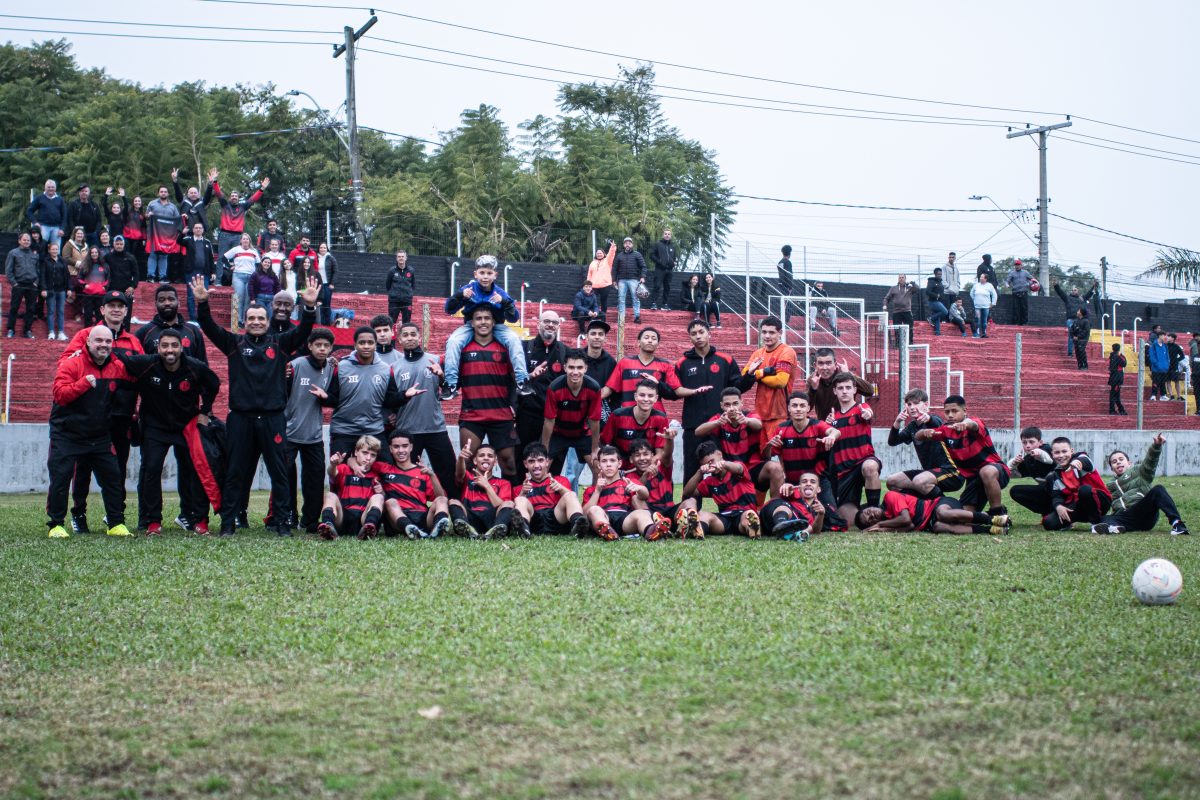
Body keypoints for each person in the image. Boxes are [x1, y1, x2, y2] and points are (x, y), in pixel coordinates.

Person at [193, 275, 318, 537]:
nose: (257, 322)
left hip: (273, 418)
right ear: (245, 322)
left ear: (268, 320)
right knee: (235, 472)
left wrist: (308, 308)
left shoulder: (280, 344)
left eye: (261, 318)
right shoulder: (233, 344)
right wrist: (203, 303)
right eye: (252, 319)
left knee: (280, 473)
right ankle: (228, 524)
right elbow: (208, 326)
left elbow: (304, 331)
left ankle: (283, 523)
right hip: (240, 419)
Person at [116, 329, 220, 535]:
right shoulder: (147, 363)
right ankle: (153, 521)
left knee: (195, 471)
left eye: (174, 345)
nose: (169, 350)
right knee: (152, 470)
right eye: (165, 346)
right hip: (156, 427)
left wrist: (205, 411)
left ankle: (199, 519)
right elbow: (119, 357)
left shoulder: (194, 367)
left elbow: (214, 383)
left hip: (186, 426)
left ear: (182, 347)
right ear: (158, 348)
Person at [61, 291, 144, 530]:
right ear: (102, 310)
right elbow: (66, 363)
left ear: (126, 311)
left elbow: (140, 376)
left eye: (121, 306)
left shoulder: (134, 342)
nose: (116, 309)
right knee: (83, 467)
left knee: (118, 467)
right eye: (111, 306)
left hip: (122, 415)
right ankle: (78, 514)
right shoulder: (85, 335)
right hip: (92, 414)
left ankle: (115, 515)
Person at [46, 326, 132, 538]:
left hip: (98, 435)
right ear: (88, 343)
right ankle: (56, 524)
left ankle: (115, 524)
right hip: (67, 434)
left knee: (113, 478)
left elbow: (136, 380)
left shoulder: (116, 366)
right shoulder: (72, 364)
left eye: (108, 341)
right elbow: (59, 395)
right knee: (61, 478)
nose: (103, 345)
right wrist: (83, 384)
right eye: (99, 341)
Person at [440, 254, 529, 400]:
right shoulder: (468, 289)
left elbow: (514, 318)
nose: (485, 277)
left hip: (497, 325)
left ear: (495, 275)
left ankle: (522, 381)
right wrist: (460, 295)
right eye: (482, 273)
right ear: (475, 274)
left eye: (489, 273)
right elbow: (449, 310)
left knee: (514, 339)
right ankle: (450, 385)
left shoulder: (500, 293)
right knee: (453, 341)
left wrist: (505, 302)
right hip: (471, 325)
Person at [674, 319, 750, 479]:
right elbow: (673, 391)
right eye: (693, 334)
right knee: (692, 470)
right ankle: (691, 504)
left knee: (724, 469)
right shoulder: (682, 363)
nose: (698, 336)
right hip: (692, 425)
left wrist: (751, 376)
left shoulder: (725, 360)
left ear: (709, 334)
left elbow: (737, 387)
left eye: (701, 332)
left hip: (721, 425)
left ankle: (731, 503)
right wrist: (658, 385)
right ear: (689, 337)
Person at [454, 306, 521, 484]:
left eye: (487, 318)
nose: (483, 322)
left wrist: (530, 375)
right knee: (467, 461)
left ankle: (511, 506)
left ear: (493, 322)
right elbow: (453, 379)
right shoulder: (461, 348)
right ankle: (466, 506)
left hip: (500, 415)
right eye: (478, 318)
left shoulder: (506, 348)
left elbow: (516, 378)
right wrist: (440, 375)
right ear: (472, 322)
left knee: (509, 463)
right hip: (472, 415)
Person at [391, 321, 457, 499]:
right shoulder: (395, 368)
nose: (410, 338)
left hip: (435, 428)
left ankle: (456, 508)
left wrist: (442, 376)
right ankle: (412, 509)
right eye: (405, 335)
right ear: (399, 340)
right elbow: (390, 399)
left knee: (448, 472)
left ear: (420, 337)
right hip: (407, 431)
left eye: (413, 334)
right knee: (408, 476)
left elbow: (451, 390)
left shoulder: (435, 360)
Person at [914, 395, 1009, 516]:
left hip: (997, 472)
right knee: (964, 515)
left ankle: (998, 514)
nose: (950, 415)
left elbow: (973, 424)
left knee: (986, 471)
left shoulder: (975, 423)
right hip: (974, 481)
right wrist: (924, 432)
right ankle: (986, 517)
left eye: (954, 411)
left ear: (964, 411)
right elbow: (917, 436)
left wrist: (966, 424)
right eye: (947, 412)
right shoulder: (945, 430)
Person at [327, 327, 412, 459]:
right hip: (344, 430)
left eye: (370, 342)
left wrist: (405, 395)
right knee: (341, 475)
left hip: (374, 430)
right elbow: (333, 399)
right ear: (355, 345)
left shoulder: (385, 369)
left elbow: (389, 400)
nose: (366, 346)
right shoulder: (342, 367)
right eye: (362, 343)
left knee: (386, 470)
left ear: (375, 344)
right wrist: (323, 397)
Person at [284, 328, 337, 533]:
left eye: (326, 346)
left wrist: (326, 397)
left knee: (314, 480)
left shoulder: (332, 368)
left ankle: (310, 520)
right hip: (289, 432)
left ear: (331, 348)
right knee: (287, 478)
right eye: (318, 345)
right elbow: (282, 394)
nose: (322, 349)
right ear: (310, 346)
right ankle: (288, 516)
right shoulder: (295, 366)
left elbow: (335, 399)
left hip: (314, 435)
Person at [766, 392, 842, 528]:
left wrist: (831, 437)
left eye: (802, 405)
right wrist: (770, 445)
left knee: (832, 519)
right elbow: (772, 457)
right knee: (778, 508)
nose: (798, 409)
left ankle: (805, 520)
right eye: (794, 405)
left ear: (808, 408)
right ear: (788, 408)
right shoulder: (781, 429)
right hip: (793, 484)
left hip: (817, 483)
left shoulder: (817, 425)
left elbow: (835, 432)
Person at [695, 387, 783, 499]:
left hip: (753, 467)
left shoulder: (749, 416)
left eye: (735, 403)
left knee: (775, 468)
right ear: (722, 406)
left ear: (741, 403)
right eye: (727, 405)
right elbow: (698, 432)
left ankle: (776, 506)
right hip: (731, 469)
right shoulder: (719, 419)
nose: (732, 408)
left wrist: (746, 421)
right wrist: (716, 423)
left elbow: (758, 424)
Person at [1095, 434, 1189, 535]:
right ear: (1112, 468)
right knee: (1099, 518)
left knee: (1158, 489)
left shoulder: (1139, 472)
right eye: (1114, 462)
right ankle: (1115, 528)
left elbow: (1150, 462)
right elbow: (1099, 501)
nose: (1118, 462)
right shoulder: (1109, 485)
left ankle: (1177, 524)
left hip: (1143, 513)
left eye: (1121, 459)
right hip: (1125, 517)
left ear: (1129, 463)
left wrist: (1156, 446)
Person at [884, 388, 963, 498]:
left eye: (916, 403)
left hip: (951, 472)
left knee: (919, 481)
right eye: (909, 404)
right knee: (892, 482)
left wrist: (928, 418)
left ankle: (944, 505)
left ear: (926, 405)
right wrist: (897, 422)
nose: (912, 407)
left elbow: (937, 424)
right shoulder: (912, 426)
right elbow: (893, 442)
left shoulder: (935, 419)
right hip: (929, 473)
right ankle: (921, 506)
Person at [826, 372, 882, 524]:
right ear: (835, 391)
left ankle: (874, 510)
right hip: (844, 471)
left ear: (854, 390)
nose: (844, 391)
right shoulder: (833, 417)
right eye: (840, 388)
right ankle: (867, 511)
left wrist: (867, 414)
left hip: (863, 460)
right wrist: (828, 426)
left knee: (870, 467)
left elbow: (868, 414)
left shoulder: (861, 408)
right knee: (849, 520)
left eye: (848, 387)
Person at [516, 310, 568, 473]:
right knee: (522, 457)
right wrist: (530, 376)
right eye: (546, 321)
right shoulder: (524, 348)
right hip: (528, 415)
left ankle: (549, 496)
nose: (550, 325)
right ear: (538, 324)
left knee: (553, 459)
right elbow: (513, 380)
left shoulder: (566, 352)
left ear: (559, 326)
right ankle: (520, 494)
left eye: (554, 322)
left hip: (555, 417)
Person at [582, 445, 668, 541]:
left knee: (641, 513)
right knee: (594, 510)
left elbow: (645, 495)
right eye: (604, 461)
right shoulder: (591, 490)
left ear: (619, 464)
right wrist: (597, 491)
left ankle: (652, 531)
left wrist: (638, 488)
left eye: (612, 460)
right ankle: (608, 532)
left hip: (624, 519)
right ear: (599, 465)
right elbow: (585, 514)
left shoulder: (628, 482)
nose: (608, 464)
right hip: (604, 518)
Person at [376, 430, 451, 539]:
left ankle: (437, 528)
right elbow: (364, 462)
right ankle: (409, 527)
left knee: (442, 500)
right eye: (396, 447)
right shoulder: (384, 468)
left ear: (411, 447)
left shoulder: (423, 473)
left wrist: (432, 475)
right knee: (390, 502)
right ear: (390, 449)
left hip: (422, 516)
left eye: (405, 446)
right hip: (397, 518)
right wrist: (352, 462)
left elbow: (440, 497)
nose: (401, 450)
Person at [680, 441, 762, 538]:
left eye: (712, 461)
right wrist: (700, 472)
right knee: (702, 515)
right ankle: (696, 529)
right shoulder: (710, 481)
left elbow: (738, 468)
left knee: (747, 516)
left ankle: (753, 529)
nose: (711, 466)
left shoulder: (736, 468)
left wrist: (723, 464)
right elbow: (687, 493)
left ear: (720, 454)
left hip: (743, 513)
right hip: (725, 519)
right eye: (707, 464)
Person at [542, 348, 602, 477]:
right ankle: (541, 496)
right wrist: (545, 449)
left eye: (579, 368)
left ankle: (594, 496)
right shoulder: (554, 387)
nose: (575, 372)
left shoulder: (594, 388)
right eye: (571, 367)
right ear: (564, 367)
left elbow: (594, 420)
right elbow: (549, 421)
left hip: (582, 433)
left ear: (585, 368)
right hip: (558, 433)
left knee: (597, 468)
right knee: (542, 467)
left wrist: (595, 449)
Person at [603, 326, 692, 412]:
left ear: (658, 344)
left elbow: (674, 393)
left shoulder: (665, 365)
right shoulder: (625, 363)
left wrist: (658, 384)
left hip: (656, 417)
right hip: (628, 416)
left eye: (653, 339)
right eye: (646, 337)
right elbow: (610, 388)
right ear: (638, 342)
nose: (650, 341)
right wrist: (591, 398)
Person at [510, 442, 588, 538]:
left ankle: (578, 525)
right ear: (525, 464)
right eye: (531, 461)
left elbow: (571, 500)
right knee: (519, 499)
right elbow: (516, 510)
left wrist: (560, 488)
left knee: (570, 494)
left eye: (540, 460)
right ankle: (523, 530)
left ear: (547, 462)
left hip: (556, 519)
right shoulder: (519, 488)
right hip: (534, 521)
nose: (536, 465)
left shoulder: (560, 480)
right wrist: (523, 493)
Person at [317, 436, 387, 541]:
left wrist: (381, 492)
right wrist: (333, 465)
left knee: (379, 497)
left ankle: (369, 527)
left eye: (373, 455)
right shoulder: (344, 468)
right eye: (365, 453)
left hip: (363, 519)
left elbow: (382, 502)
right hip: (343, 517)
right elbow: (332, 473)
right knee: (330, 495)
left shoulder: (376, 474)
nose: (368, 458)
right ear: (356, 452)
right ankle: (327, 526)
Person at [742, 316, 797, 441]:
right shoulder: (758, 353)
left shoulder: (786, 351)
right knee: (763, 456)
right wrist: (764, 372)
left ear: (780, 333)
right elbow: (744, 374)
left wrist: (757, 375)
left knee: (777, 455)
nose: (767, 336)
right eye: (764, 332)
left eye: (771, 332)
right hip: (760, 414)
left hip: (779, 414)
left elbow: (780, 381)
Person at [1041, 437, 1111, 531]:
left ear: (1072, 451)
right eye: (1057, 453)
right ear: (1052, 454)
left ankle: (1097, 523)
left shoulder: (1082, 458)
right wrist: (1058, 506)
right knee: (1048, 523)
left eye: (1064, 451)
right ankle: (1069, 523)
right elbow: (1056, 495)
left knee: (1084, 490)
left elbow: (1085, 462)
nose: (1061, 455)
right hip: (1078, 505)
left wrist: (1077, 462)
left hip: (1100, 501)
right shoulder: (1056, 474)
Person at [448, 440, 514, 539]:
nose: (486, 458)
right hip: (470, 519)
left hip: (492, 519)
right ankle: (468, 531)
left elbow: (501, 506)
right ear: (475, 460)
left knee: (509, 503)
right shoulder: (468, 478)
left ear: (495, 462)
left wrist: (487, 485)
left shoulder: (504, 483)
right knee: (453, 502)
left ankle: (495, 531)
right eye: (482, 455)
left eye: (490, 456)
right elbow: (459, 473)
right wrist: (461, 458)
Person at [856, 493, 1009, 535]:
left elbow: (905, 518)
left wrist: (880, 524)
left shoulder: (890, 497)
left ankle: (993, 519)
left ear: (871, 506)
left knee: (943, 514)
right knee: (938, 526)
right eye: (870, 520)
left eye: (869, 512)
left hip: (939, 504)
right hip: (930, 522)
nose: (872, 516)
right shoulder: (889, 521)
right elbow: (908, 526)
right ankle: (992, 530)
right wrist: (881, 530)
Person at [601, 379, 671, 469]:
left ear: (656, 398)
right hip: (620, 467)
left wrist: (645, 469)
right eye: (642, 395)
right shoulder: (618, 415)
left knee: (668, 461)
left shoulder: (661, 418)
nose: (646, 399)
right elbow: (605, 444)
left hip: (646, 466)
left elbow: (659, 453)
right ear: (635, 396)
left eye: (650, 396)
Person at [212, 172, 268, 282]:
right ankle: (218, 281)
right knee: (220, 258)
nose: (234, 197)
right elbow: (218, 193)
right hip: (224, 234)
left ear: (238, 198)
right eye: (232, 196)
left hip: (237, 236)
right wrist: (215, 181)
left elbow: (253, 199)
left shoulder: (243, 207)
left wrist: (262, 189)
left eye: (236, 196)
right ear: (229, 198)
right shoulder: (225, 204)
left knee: (237, 257)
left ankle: (234, 281)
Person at [135, 284, 207, 363]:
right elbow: (137, 364)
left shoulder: (193, 331)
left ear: (178, 303)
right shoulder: (143, 332)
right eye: (162, 300)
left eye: (171, 299)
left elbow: (203, 366)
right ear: (156, 304)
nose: (167, 303)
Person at [806, 347, 873, 422]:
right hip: (825, 425)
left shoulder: (844, 375)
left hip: (847, 422)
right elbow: (807, 408)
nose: (825, 367)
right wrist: (813, 389)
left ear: (835, 364)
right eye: (821, 363)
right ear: (815, 366)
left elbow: (870, 391)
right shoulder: (812, 380)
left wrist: (849, 374)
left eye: (828, 363)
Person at [758, 472, 824, 541]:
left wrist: (821, 514)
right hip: (770, 513)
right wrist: (786, 487)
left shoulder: (814, 511)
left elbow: (815, 531)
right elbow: (787, 491)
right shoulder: (796, 495)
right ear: (799, 488)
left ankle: (791, 534)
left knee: (807, 525)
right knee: (785, 506)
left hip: (769, 530)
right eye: (804, 482)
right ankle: (781, 524)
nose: (808, 484)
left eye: (813, 482)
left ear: (818, 489)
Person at [1007, 426, 1056, 518]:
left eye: (1031, 442)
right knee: (1015, 491)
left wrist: (1039, 452)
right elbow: (1011, 474)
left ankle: (1056, 512)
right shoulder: (1027, 460)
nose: (1028, 445)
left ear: (1040, 442)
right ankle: (1047, 512)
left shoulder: (1049, 450)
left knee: (1050, 481)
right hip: (1045, 492)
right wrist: (1014, 463)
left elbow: (1048, 459)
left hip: (1061, 491)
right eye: (1024, 442)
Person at [5, 232, 40, 339]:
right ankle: (11, 329)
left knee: (31, 309)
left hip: (32, 285)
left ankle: (27, 331)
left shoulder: (35, 254)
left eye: (28, 240)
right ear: (19, 241)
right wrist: (14, 283)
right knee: (14, 307)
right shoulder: (13, 253)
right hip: (18, 284)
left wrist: (36, 283)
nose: (26, 242)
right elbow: (8, 270)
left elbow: (38, 270)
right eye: (24, 240)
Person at [145, 185, 181, 282]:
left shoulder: (173, 207)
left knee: (163, 256)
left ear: (168, 193)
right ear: (158, 193)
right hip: (154, 234)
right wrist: (149, 215)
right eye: (161, 191)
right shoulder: (152, 204)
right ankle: (151, 276)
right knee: (153, 255)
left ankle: (162, 276)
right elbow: (146, 216)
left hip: (166, 236)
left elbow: (177, 220)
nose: (163, 193)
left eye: (165, 191)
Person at [180, 222, 216, 320]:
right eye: (196, 228)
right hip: (191, 272)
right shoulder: (188, 240)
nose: (198, 229)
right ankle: (193, 319)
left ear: (203, 230)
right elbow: (178, 242)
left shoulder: (207, 242)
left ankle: (203, 319)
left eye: (200, 228)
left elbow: (211, 258)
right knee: (191, 296)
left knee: (204, 296)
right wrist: (182, 233)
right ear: (193, 230)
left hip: (204, 273)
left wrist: (213, 272)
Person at [223, 233, 260, 328]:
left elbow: (258, 264)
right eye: (243, 239)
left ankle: (245, 322)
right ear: (241, 240)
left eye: (247, 239)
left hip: (251, 277)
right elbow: (224, 258)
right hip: (238, 275)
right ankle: (236, 322)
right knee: (237, 298)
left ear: (249, 241)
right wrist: (230, 266)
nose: (245, 240)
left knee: (248, 300)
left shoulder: (254, 251)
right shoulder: (236, 249)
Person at [1053, 280, 1098, 356]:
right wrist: (1056, 285)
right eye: (1072, 290)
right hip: (1071, 320)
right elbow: (1060, 292)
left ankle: (1079, 351)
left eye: (1075, 290)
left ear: (1078, 291)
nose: (1073, 291)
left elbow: (1089, 293)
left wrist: (1094, 286)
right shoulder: (1067, 298)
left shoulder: (1082, 299)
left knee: (1080, 336)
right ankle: (1070, 352)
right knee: (1072, 335)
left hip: (1081, 320)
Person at [612, 236, 646, 323]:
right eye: (626, 243)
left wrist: (642, 277)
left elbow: (643, 267)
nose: (627, 244)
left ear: (632, 245)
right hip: (621, 280)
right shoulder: (619, 256)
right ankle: (621, 318)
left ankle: (637, 317)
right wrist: (614, 280)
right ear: (624, 245)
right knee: (621, 299)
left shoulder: (637, 254)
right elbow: (615, 268)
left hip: (634, 280)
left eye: (629, 243)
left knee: (635, 298)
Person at [39, 242, 69, 341]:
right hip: (50, 290)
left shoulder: (63, 261)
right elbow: (42, 276)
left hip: (61, 290)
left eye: (56, 249)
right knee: (51, 311)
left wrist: (69, 288)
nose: (55, 251)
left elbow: (67, 275)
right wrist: (43, 289)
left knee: (61, 311)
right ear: (49, 250)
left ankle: (61, 332)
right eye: (53, 249)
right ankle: (51, 332)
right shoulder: (45, 261)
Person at [173, 167, 215, 236]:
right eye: (191, 193)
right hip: (185, 231)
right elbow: (178, 194)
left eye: (195, 193)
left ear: (198, 194)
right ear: (188, 194)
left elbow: (207, 196)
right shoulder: (183, 201)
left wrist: (210, 184)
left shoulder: (202, 202)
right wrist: (175, 181)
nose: (193, 194)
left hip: (199, 232)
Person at [27, 179, 66, 249]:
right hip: (43, 227)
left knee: (55, 250)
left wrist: (62, 228)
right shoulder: (40, 198)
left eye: (52, 187)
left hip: (56, 228)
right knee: (41, 248)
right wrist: (35, 222)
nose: (51, 189)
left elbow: (64, 215)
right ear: (45, 188)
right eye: (49, 187)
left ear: (55, 188)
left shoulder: (60, 199)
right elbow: (29, 211)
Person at [882, 274, 917, 346]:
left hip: (907, 311)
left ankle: (909, 343)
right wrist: (885, 305)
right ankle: (898, 344)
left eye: (902, 277)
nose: (901, 279)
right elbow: (886, 298)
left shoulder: (909, 288)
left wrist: (913, 283)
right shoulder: (893, 288)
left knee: (909, 328)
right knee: (897, 328)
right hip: (897, 312)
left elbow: (917, 288)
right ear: (898, 279)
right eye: (900, 278)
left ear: (905, 279)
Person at [585, 241, 616, 320]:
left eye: (600, 253)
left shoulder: (607, 261)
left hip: (605, 285)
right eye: (597, 253)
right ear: (596, 255)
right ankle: (593, 316)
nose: (599, 254)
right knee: (592, 301)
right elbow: (589, 274)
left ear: (604, 254)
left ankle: (603, 316)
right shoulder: (592, 263)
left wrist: (612, 247)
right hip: (594, 286)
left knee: (603, 301)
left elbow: (611, 254)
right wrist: (587, 284)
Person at [385, 249, 415, 324]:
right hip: (394, 301)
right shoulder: (392, 271)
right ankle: (392, 336)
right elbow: (388, 285)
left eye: (402, 256)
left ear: (406, 258)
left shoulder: (411, 270)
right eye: (399, 257)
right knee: (391, 322)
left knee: (407, 323)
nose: (401, 258)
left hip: (407, 301)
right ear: (396, 258)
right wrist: (394, 294)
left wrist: (408, 294)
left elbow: (413, 285)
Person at [649, 227, 676, 310]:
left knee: (667, 287)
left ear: (670, 235)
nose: (667, 235)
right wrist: (660, 262)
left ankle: (665, 304)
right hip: (659, 269)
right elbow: (652, 255)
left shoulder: (673, 246)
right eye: (665, 234)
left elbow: (674, 257)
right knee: (657, 286)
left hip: (669, 270)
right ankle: (653, 303)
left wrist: (674, 263)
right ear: (663, 235)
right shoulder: (658, 244)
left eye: (669, 234)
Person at [316, 242, 337, 325]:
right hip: (318, 285)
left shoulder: (331, 258)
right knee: (319, 305)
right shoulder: (316, 258)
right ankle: (319, 324)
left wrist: (332, 283)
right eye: (321, 247)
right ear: (318, 249)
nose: (322, 249)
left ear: (327, 249)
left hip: (327, 285)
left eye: (324, 247)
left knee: (326, 305)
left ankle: (328, 324)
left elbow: (335, 271)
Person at [970, 274, 997, 338]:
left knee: (984, 321)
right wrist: (975, 300)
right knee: (977, 320)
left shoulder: (989, 286)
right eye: (980, 277)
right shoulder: (976, 285)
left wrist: (993, 303)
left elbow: (994, 294)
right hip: (977, 307)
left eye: (982, 277)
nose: (981, 278)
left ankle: (984, 333)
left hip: (986, 306)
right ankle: (977, 333)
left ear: (986, 279)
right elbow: (971, 293)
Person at [1007, 259, 1033, 325]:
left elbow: (1032, 280)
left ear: (1021, 265)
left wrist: (1028, 284)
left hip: (1024, 292)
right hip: (1015, 292)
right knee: (1016, 308)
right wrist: (1007, 284)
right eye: (1016, 265)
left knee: (1024, 308)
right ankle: (1016, 322)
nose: (1017, 266)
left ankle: (1024, 322)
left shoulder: (1026, 272)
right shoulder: (1012, 273)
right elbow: (1007, 281)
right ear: (1014, 266)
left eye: (1018, 265)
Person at [1146, 330, 1170, 401]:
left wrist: (1167, 364)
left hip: (1164, 368)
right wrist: (1157, 364)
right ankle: (1153, 395)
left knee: (1163, 382)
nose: (1165, 337)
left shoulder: (1165, 346)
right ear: (1159, 336)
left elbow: (1167, 356)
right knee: (1155, 382)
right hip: (1156, 368)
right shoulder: (1153, 345)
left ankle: (1163, 395)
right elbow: (1152, 357)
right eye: (1163, 335)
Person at [925, 267, 948, 335]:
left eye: (941, 274)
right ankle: (931, 318)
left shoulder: (940, 281)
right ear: (935, 274)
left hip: (938, 301)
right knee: (945, 312)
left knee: (937, 316)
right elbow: (927, 292)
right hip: (932, 302)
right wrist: (936, 295)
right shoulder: (931, 281)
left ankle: (937, 332)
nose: (940, 275)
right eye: (938, 274)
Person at [1107, 343, 1128, 415]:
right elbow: (1124, 364)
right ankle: (1116, 410)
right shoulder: (1118, 356)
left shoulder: (1112, 356)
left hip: (1113, 377)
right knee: (1115, 395)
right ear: (1119, 349)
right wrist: (1121, 355)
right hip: (1117, 378)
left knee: (1114, 394)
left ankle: (1118, 409)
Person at [1166, 333, 1186, 401]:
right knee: (1168, 381)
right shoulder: (1165, 346)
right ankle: (1171, 395)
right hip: (1166, 366)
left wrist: (1176, 360)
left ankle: (1179, 396)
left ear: (1173, 338)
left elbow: (1182, 356)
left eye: (1169, 336)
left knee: (1176, 381)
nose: (1167, 337)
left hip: (1174, 367)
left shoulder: (1176, 346)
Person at [1191, 333, 1200, 415]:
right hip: (1196, 378)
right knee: (1197, 394)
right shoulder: (1195, 356)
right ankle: (1198, 410)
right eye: (1198, 346)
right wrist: (1192, 378)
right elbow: (1193, 367)